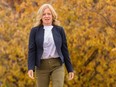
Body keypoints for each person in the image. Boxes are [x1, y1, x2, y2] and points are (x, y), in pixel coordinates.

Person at [27, 4, 74, 87]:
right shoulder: (34, 31)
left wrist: (70, 69)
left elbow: (64, 50)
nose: (46, 16)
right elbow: (32, 50)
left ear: (53, 15)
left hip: (57, 65)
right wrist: (30, 68)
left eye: (49, 14)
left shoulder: (60, 30)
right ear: (41, 17)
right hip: (41, 66)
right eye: (44, 14)